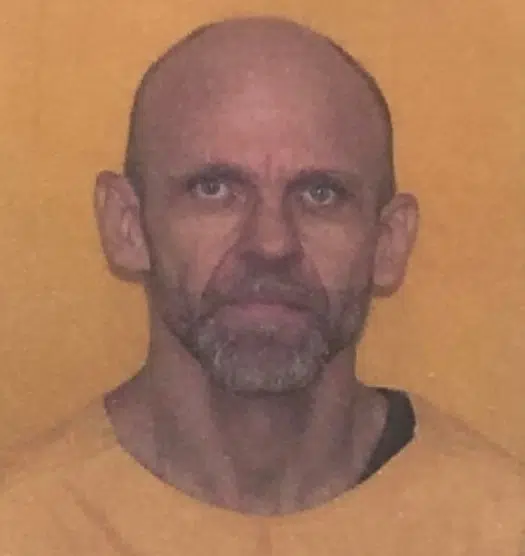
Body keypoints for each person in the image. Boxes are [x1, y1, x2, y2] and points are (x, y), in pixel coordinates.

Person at [1, 16, 523, 555]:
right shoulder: (22, 529)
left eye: (321, 194)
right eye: (213, 189)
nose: (271, 244)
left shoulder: (499, 527)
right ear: (127, 226)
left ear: (388, 242)